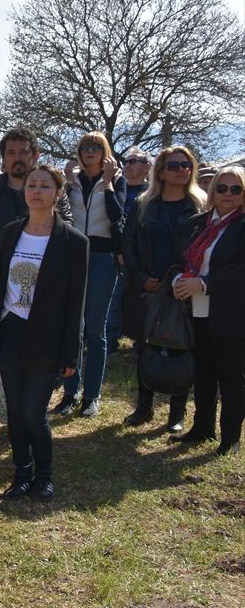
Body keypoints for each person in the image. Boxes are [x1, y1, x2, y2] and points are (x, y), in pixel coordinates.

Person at [0, 127, 75, 445]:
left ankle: (29, 418)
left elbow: (66, 230)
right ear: (3, 159)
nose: (18, 158)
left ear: (35, 155)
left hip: (40, 293)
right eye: (11, 153)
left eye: (24, 152)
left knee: (30, 361)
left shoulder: (53, 192)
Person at [0, 166, 88, 502]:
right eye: (31, 185)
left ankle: (44, 477)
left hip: (47, 337)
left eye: (45, 186)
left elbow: (76, 303)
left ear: (58, 192)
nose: (36, 190)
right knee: (16, 411)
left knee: (34, 412)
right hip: (9, 331)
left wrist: (71, 354)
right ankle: (22, 474)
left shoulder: (74, 242)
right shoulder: (9, 233)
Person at [122, 147, 205, 432]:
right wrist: (141, 277)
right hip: (149, 287)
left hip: (183, 288)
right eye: (174, 166)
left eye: (186, 165)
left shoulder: (200, 205)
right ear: (160, 171)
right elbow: (128, 244)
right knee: (146, 347)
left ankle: (176, 416)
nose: (182, 170)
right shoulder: (145, 204)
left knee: (181, 347)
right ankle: (143, 408)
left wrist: (188, 279)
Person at [172, 165, 244, 456]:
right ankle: (202, 428)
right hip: (197, 309)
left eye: (235, 189)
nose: (228, 194)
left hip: (232, 312)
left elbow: (240, 271)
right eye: (222, 187)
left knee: (231, 377)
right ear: (213, 190)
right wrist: (179, 279)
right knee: (203, 373)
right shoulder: (197, 222)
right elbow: (181, 256)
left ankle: (230, 438)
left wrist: (203, 283)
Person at [58, 132, 126, 417]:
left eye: (96, 147)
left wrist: (108, 183)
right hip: (72, 255)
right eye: (85, 147)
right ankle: (70, 392)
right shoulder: (69, 181)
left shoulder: (117, 179)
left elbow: (117, 215)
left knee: (95, 328)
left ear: (104, 152)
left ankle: (92, 395)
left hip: (102, 257)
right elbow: (58, 215)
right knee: (73, 327)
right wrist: (64, 183)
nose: (90, 152)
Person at [108, 147, 153, 350]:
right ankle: (110, 342)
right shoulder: (118, 188)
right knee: (113, 300)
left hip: (140, 257)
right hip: (114, 254)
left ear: (147, 167)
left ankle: (141, 344)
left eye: (134, 161)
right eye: (126, 161)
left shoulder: (152, 194)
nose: (128, 165)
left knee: (140, 302)